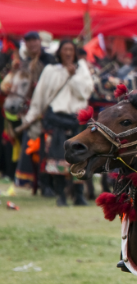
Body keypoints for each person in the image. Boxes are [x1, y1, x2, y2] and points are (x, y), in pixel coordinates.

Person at [22, 39, 94, 206]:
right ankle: (60, 194)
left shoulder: (81, 68)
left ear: (75, 53)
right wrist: (32, 117)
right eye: (65, 49)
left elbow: (86, 92)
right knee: (56, 159)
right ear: (59, 52)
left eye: (71, 50)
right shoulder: (50, 70)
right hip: (55, 119)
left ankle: (78, 195)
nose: (68, 53)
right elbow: (40, 95)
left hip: (77, 120)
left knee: (80, 158)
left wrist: (73, 76)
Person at [2, 31, 54, 190]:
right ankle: (35, 182)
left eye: (34, 40)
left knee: (48, 148)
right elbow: (8, 86)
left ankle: (48, 183)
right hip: (30, 111)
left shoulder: (50, 61)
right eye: (28, 41)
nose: (32, 44)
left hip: (50, 109)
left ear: (39, 42)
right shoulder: (23, 62)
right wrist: (13, 70)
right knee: (32, 147)